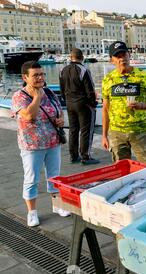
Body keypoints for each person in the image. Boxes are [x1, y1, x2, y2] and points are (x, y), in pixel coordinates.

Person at [11, 61, 71, 227]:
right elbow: (29, 116)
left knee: (54, 176)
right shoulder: (19, 96)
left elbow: (59, 111)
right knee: (31, 179)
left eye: (42, 74)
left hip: (53, 142)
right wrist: (37, 96)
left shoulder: (50, 93)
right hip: (32, 146)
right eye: (35, 75)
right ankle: (32, 212)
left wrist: (60, 120)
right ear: (25, 77)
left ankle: (57, 205)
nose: (40, 78)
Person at [101, 41, 146, 164]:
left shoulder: (143, 76)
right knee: (121, 170)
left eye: (124, 55)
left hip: (139, 131)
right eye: (118, 56)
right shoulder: (108, 79)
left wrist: (142, 105)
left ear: (129, 56)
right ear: (111, 60)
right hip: (116, 133)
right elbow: (105, 108)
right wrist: (104, 135)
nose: (122, 59)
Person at [59, 48, 100, 165]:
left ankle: (73, 155)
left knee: (73, 130)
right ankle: (85, 156)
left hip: (69, 103)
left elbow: (62, 89)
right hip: (83, 104)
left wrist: (66, 100)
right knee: (86, 130)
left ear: (70, 58)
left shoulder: (63, 70)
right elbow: (90, 90)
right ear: (82, 57)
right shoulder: (83, 70)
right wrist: (93, 104)